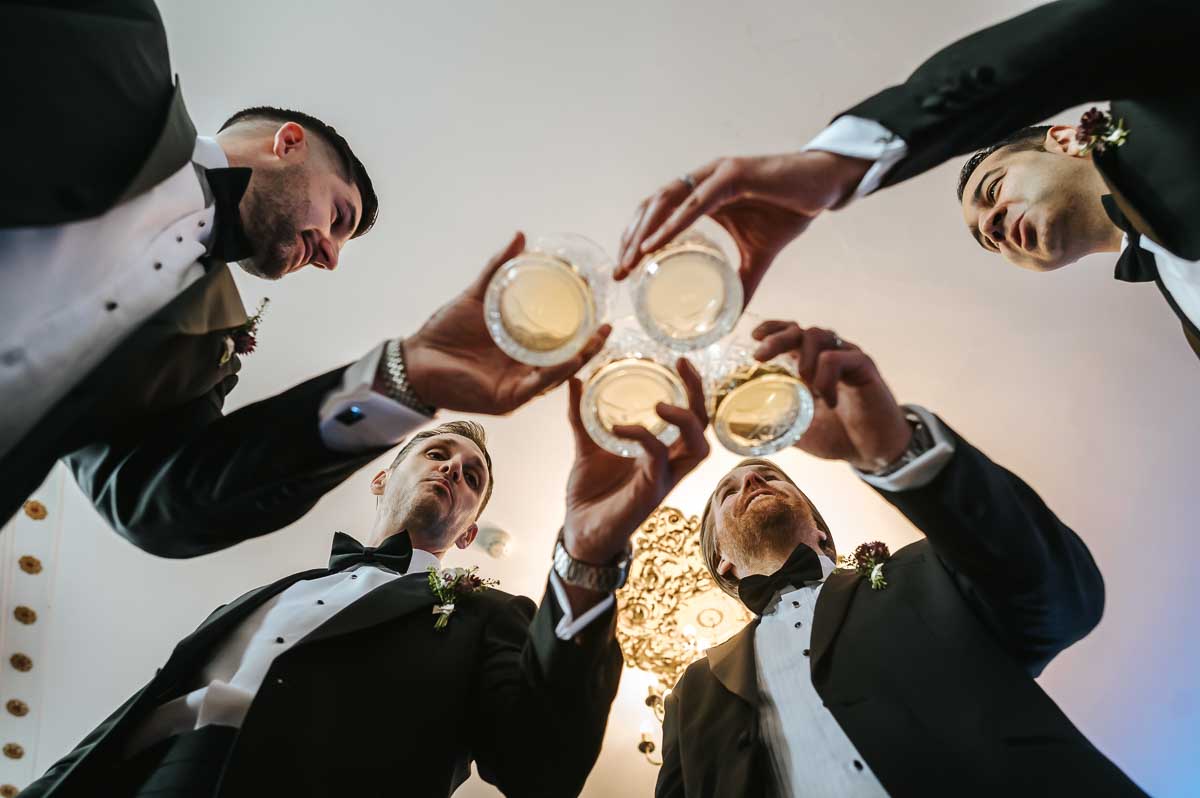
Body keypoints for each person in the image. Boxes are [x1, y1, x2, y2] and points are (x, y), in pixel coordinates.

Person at [0, 0, 609, 554]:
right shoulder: (116, 37)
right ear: (288, 144)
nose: (330, 257)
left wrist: (403, 377)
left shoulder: (207, 355)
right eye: (338, 216)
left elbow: (163, 503)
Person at [21, 360, 712, 797]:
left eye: (473, 477)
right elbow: (138, 712)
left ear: (470, 531)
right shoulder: (256, 599)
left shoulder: (486, 616)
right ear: (384, 476)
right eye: (439, 453)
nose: (452, 471)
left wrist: (588, 558)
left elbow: (541, 767)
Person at [654, 320, 1146, 797]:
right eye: (728, 493)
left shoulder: (925, 572)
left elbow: (1064, 599)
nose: (754, 482)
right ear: (724, 565)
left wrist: (892, 450)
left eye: (771, 475)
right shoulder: (690, 694)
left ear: (822, 532)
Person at [615, 0, 1199, 355]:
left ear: (1067, 139)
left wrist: (838, 165)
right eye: (987, 239)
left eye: (992, 190)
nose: (994, 226)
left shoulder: (1162, 101)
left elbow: (1103, 30)